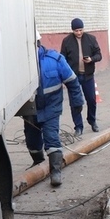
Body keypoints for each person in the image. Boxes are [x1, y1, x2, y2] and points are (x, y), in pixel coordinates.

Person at [24, 30, 84, 187]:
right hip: (31, 111)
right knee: (32, 141)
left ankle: (55, 171)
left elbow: (72, 82)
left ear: (37, 44)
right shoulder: (21, 64)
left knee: (51, 138)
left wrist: (77, 103)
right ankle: (38, 162)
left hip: (51, 108)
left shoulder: (55, 60)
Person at [60, 18, 102, 136]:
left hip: (88, 76)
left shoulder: (91, 39)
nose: (78, 33)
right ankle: (78, 127)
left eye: (80, 30)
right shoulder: (66, 41)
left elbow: (99, 55)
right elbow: (62, 59)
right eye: (76, 30)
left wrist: (91, 59)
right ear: (72, 30)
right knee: (75, 103)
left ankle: (92, 121)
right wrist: (65, 76)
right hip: (73, 78)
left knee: (92, 100)